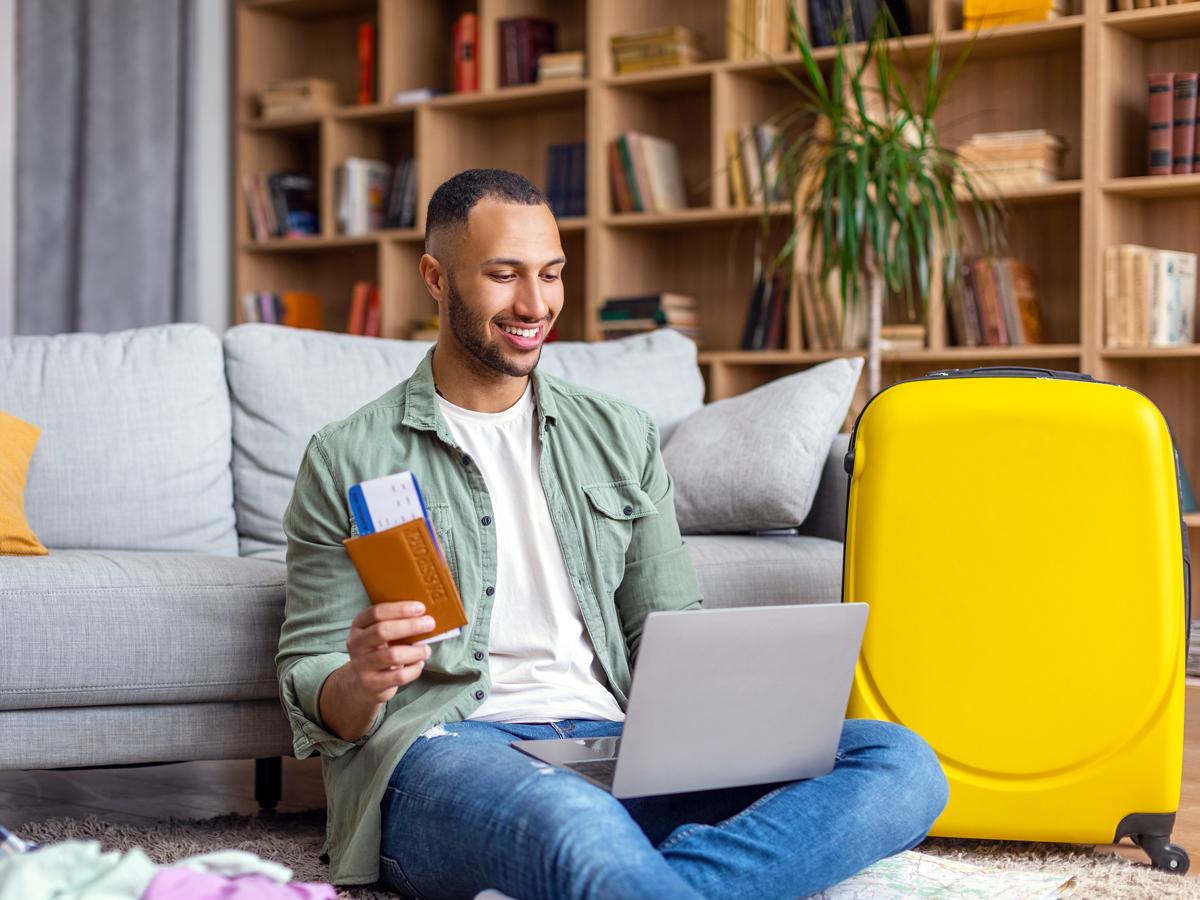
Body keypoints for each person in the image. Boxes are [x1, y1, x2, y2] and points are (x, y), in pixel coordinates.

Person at [276, 168, 948, 900]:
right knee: (573, 822)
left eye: (552, 274)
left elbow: (669, 625)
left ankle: (624, 883)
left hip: (621, 742)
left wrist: (731, 714)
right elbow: (310, 674)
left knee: (899, 760)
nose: (535, 305)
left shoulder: (620, 434)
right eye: (503, 275)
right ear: (435, 279)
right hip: (450, 752)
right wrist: (362, 680)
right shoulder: (348, 455)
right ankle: (616, 870)